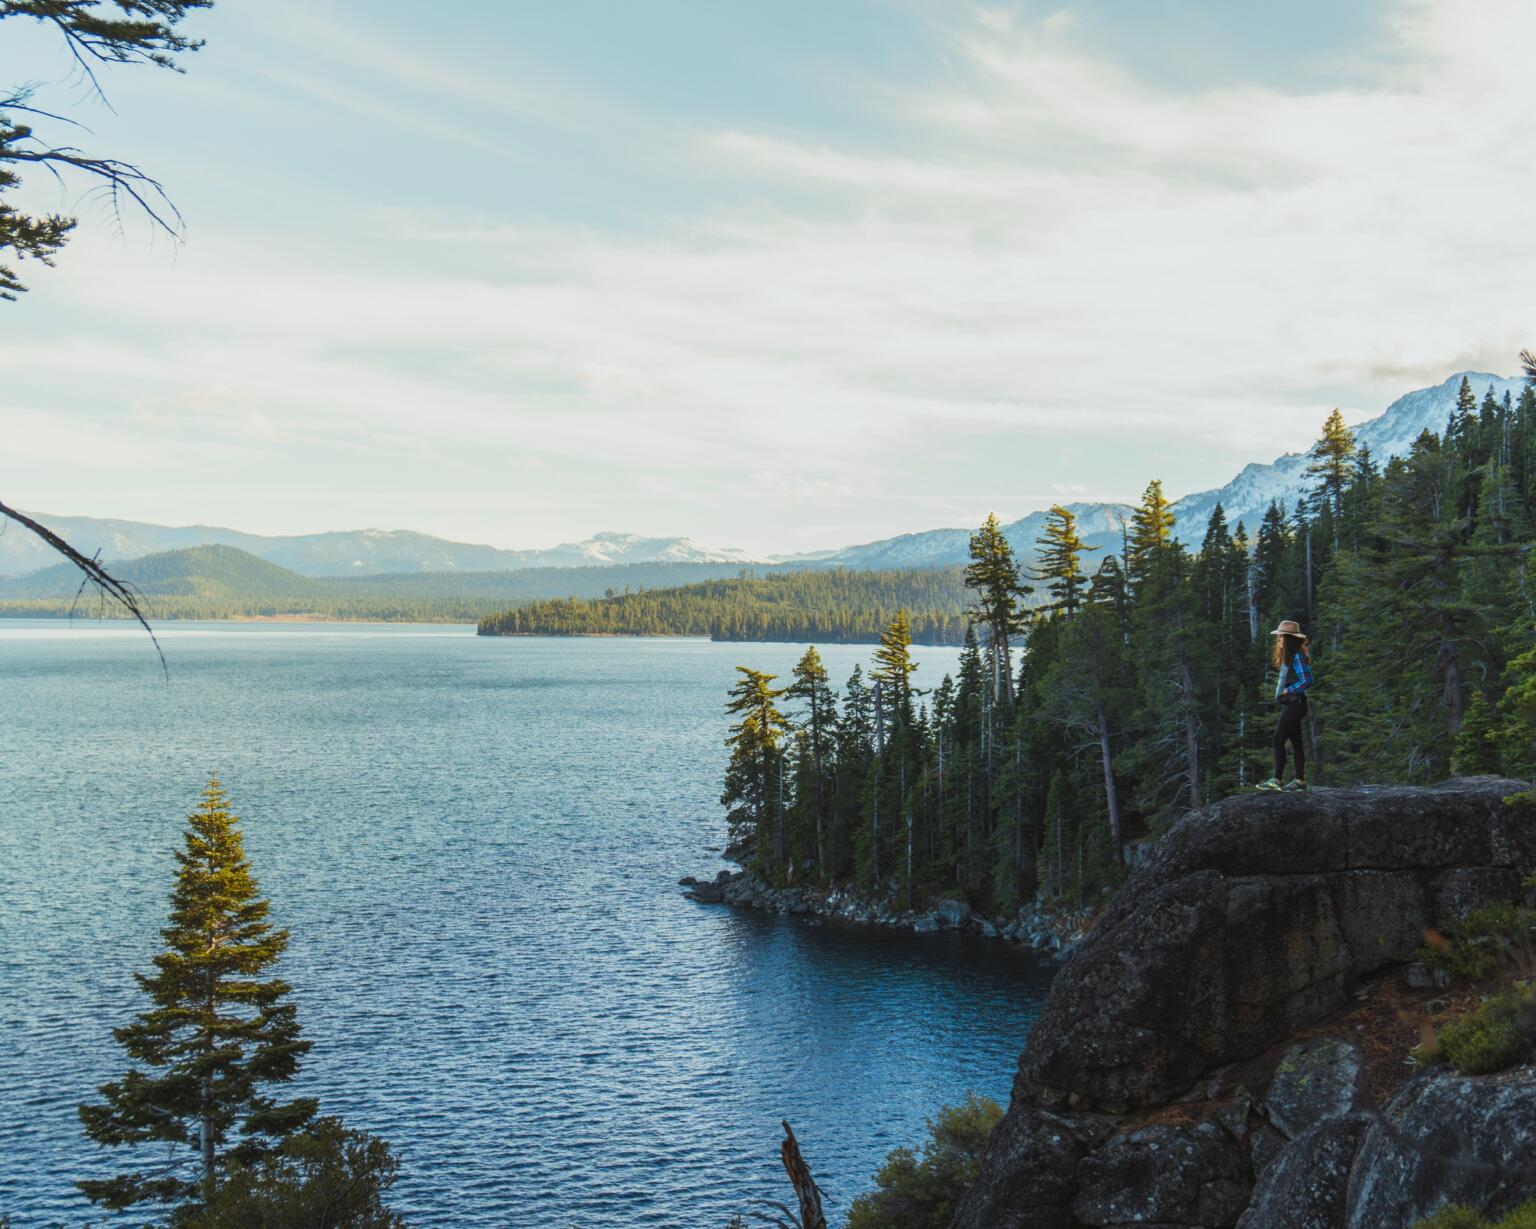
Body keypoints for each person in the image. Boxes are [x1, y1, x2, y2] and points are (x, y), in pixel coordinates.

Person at [1257, 620, 1313, 792]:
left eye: (1281, 636)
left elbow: (1307, 680)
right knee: (1295, 742)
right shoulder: (1290, 657)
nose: (1278, 639)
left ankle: (1277, 779)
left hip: (1295, 704)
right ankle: (1299, 781)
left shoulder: (1297, 656)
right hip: (1294, 704)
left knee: (1278, 738)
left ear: (1288, 639)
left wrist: (1289, 690)